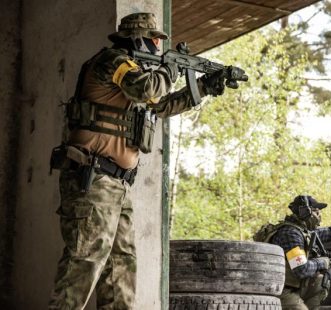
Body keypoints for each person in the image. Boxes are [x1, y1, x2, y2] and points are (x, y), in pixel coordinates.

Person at [48, 12, 227, 309]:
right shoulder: (113, 61)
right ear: (139, 39)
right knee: (85, 261)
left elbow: (163, 105)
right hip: (93, 180)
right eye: (155, 39)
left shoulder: (136, 79)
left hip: (116, 185)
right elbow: (148, 89)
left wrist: (205, 87)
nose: (158, 46)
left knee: (121, 268)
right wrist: (171, 69)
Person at [254, 195, 331, 310]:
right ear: (305, 213)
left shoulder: (300, 231)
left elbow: (326, 233)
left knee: (321, 281)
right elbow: (301, 269)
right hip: (278, 289)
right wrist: (321, 262)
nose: (319, 216)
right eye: (316, 212)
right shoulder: (290, 235)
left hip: (290, 286)